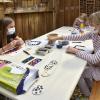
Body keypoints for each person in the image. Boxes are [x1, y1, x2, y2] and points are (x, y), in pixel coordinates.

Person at [48, 11, 100, 97]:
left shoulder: (95, 32)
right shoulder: (95, 32)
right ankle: (91, 86)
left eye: (93, 25)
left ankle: (88, 95)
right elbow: (79, 37)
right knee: (83, 66)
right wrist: (59, 37)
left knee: (78, 74)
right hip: (97, 65)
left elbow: (94, 59)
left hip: (98, 68)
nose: (91, 27)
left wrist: (75, 51)